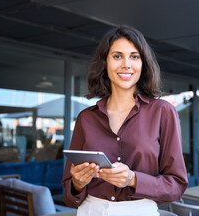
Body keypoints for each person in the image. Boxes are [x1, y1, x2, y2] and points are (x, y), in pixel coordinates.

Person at [61, 25, 188, 216]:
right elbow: (70, 195)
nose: (126, 64)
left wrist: (133, 179)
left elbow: (176, 186)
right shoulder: (86, 118)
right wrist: (78, 184)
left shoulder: (163, 111)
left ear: (143, 63)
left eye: (134, 56)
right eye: (117, 56)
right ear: (105, 62)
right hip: (91, 211)